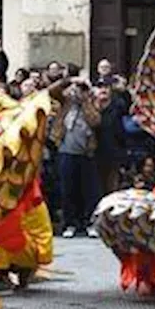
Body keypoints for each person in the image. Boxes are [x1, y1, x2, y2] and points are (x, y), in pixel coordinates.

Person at [49, 75, 101, 237]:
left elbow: (95, 121)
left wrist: (85, 99)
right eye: (76, 89)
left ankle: (88, 222)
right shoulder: (65, 103)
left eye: (81, 89)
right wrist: (69, 81)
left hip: (86, 152)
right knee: (67, 189)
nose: (78, 91)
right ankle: (70, 223)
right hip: (66, 151)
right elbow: (51, 91)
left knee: (88, 190)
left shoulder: (90, 102)